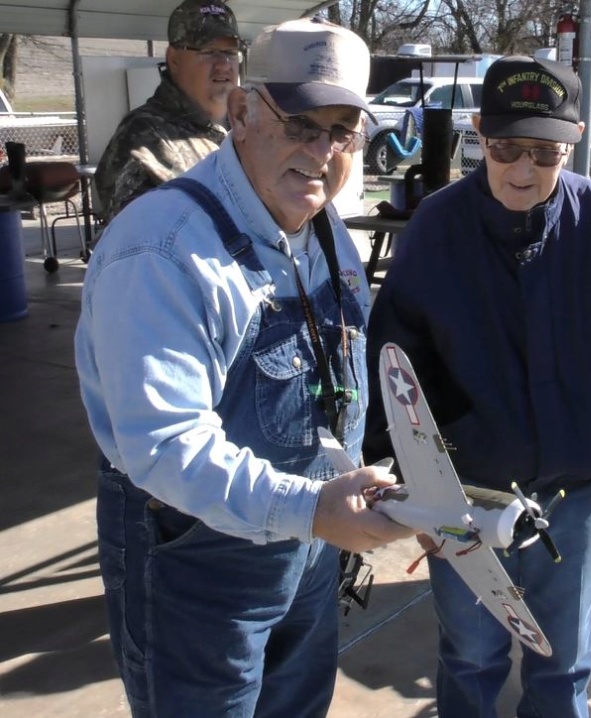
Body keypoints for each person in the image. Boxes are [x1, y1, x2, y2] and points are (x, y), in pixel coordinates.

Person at [75, 18, 415, 717]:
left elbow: (347, 384)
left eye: (343, 131)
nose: (322, 152)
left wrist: (401, 492)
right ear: (240, 113)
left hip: (311, 549)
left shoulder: (328, 235)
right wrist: (313, 508)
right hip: (196, 560)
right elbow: (164, 445)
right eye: (300, 125)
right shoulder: (163, 248)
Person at [363, 56, 591, 718]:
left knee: (564, 657)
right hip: (470, 491)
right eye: (505, 147)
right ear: (479, 133)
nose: (522, 170)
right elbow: (400, 352)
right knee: (470, 650)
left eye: (544, 153)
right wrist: (413, 480)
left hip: (577, 486)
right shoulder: (436, 226)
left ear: (573, 141)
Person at [93, 0, 242, 222]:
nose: (223, 64)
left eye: (230, 51)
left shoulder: (250, 125)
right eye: (208, 51)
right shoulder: (144, 136)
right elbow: (134, 241)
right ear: (174, 59)